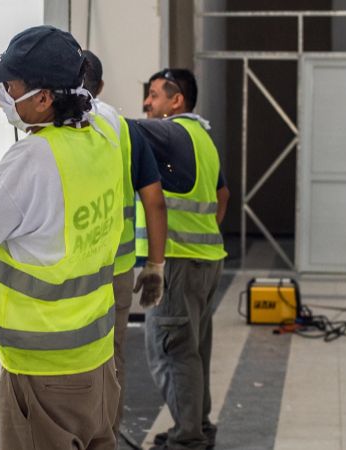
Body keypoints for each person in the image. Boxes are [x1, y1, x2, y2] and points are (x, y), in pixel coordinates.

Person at [0, 26, 123, 449]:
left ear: (44, 99)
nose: (4, 94)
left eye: (10, 86)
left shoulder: (35, 161)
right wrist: (0, 97)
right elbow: (88, 107)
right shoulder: (106, 130)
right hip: (97, 362)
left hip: (44, 373)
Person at [134, 68, 229, 450]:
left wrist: (77, 103)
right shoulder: (202, 137)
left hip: (177, 262)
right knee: (194, 349)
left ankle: (188, 439)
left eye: (154, 95)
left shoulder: (171, 133)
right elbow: (223, 196)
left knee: (170, 351)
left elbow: (123, 129)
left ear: (176, 101)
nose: (147, 102)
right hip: (206, 259)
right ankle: (197, 427)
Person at [82, 50, 168, 439]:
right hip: (116, 271)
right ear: (100, 86)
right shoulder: (124, 130)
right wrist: (155, 266)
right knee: (111, 359)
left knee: (64, 365)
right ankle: (107, 437)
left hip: (59, 274)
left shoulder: (47, 128)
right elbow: (154, 201)